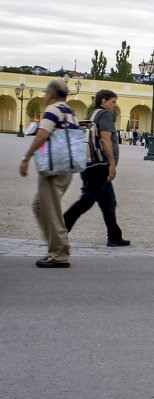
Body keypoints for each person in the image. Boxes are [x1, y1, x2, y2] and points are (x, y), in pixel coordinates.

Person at [17, 80, 78, 268]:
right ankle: (56, 246)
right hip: (66, 168)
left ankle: (59, 254)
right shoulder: (70, 112)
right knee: (39, 206)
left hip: (54, 169)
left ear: (51, 94)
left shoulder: (52, 110)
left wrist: (26, 158)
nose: (44, 96)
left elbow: (42, 135)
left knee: (51, 211)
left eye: (45, 93)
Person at [63, 90, 130, 247]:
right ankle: (60, 230)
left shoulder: (91, 115)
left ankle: (114, 236)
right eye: (113, 102)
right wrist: (112, 165)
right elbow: (106, 140)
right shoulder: (105, 115)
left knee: (109, 203)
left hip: (88, 164)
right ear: (103, 102)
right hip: (100, 166)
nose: (115, 105)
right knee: (86, 201)